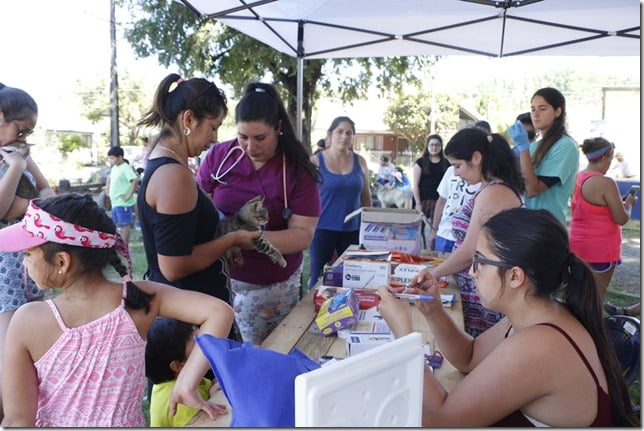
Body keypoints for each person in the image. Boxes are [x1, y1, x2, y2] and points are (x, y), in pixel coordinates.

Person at [377, 207, 638, 427]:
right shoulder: (535, 312)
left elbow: (441, 422)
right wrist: (434, 310)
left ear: (515, 276)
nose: (471, 272)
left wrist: (404, 335)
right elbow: (469, 358)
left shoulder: (541, 344)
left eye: (480, 261)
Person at [0, 194, 236, 427]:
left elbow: (18, 420)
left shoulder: (28, 320)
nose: (24, 262)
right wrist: (186, 381)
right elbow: (219, 312)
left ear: (62, 261)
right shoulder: (141, 300)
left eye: (28, 254)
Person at [196, 82, 321, 345]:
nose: (250, 147)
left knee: (266, 355)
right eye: (243, 137)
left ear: (278, 127)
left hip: (270, 289)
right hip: (218, 279)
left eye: (260, 138)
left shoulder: (296, 170)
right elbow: (199, 201)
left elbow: (302, 236)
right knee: (220, 355)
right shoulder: (219, 156)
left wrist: (245, 239)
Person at [136, 73, 259, 307]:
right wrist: (231, 239)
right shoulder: (174, 176)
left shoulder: (166, 164)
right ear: (189, 119)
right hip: (189, 316)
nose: (214, 139)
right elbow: (174, 266)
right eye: (213, 127)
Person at [426, 127, 524, 336]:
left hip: (485, 295)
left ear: (476, 158)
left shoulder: (495, 192)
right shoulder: (494, 188)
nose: (456, 173)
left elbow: (471, 249)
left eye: (458, 165)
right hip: (479, 291)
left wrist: (432, 275)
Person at [0, 83, 54, 420]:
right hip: (4, 266)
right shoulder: (15, 159)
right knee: (7, 349)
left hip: (29, 259)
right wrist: (17, 169)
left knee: (32, 343)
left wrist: (24, 205)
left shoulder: (19, 152)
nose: (24, 139)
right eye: (21, 129)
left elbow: (49, 192)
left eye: (30, 132)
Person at [307, 116, 372, 290]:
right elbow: (305, 197)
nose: (344, 136)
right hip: (322, 229)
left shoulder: (361, 161)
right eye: (340, 131)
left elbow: (366, 198)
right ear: (330, 134)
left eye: (349, 133)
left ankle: (347, 311)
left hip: (353, 230)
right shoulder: (315, 161)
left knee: (352, 276)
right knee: (318, 276)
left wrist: (370, 226)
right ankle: (311, 313)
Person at [569, 137, 636, 301]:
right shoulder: (605, 182)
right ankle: (590, 326)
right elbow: (621, 218)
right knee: (595, 298)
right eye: (610, 159)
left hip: (578, 245)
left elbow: (591, 208)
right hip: (601, 249)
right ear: (605, 157)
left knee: (577, 295)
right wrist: (629, 204)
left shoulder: (578, 178)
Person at [509, 87, 579, 225]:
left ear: (558, 111)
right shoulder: (534, 146)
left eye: (542, 109)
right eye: (533, 109)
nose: (535, 114)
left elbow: (533, 190)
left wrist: (524, 150)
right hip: (527, 223)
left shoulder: (565, 145)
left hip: (547, 227)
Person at [147, 317, 216, 427]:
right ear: (177, 366)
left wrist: (212, 392)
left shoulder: (167, 384)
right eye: (198, 343)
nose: (207, 344)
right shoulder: (185, 404)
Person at [428, 165, 481, 252]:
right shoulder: (450, 170)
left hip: (466, 237)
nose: (456, 172)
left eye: (458, 165)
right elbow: (442, 200)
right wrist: (434, 230)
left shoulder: (481, 176)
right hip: (443, 233)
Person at [105, 145, 139, 245]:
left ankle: (125, 244)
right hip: (115, 202)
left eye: (112, 158)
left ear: (120, 157)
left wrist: (129, 195)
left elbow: (135, 180)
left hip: (123, 203)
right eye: (109, 158)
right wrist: (107, 188)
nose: (110, 160)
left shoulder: (125, 167)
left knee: (125, 224)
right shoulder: (115, 167)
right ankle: (119, 242)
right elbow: (110, 178)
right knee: (118, 224)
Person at [412, 133, 450, 220]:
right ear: (427, 146)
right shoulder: (420, 162)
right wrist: (418, 203)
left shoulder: (447, 163)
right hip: (423, 200)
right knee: (419, 228)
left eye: (437, 145)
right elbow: (415, 185)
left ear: (441, 146)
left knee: (436, 228)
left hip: (440, 201)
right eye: (431, 145)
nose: (434, 147)